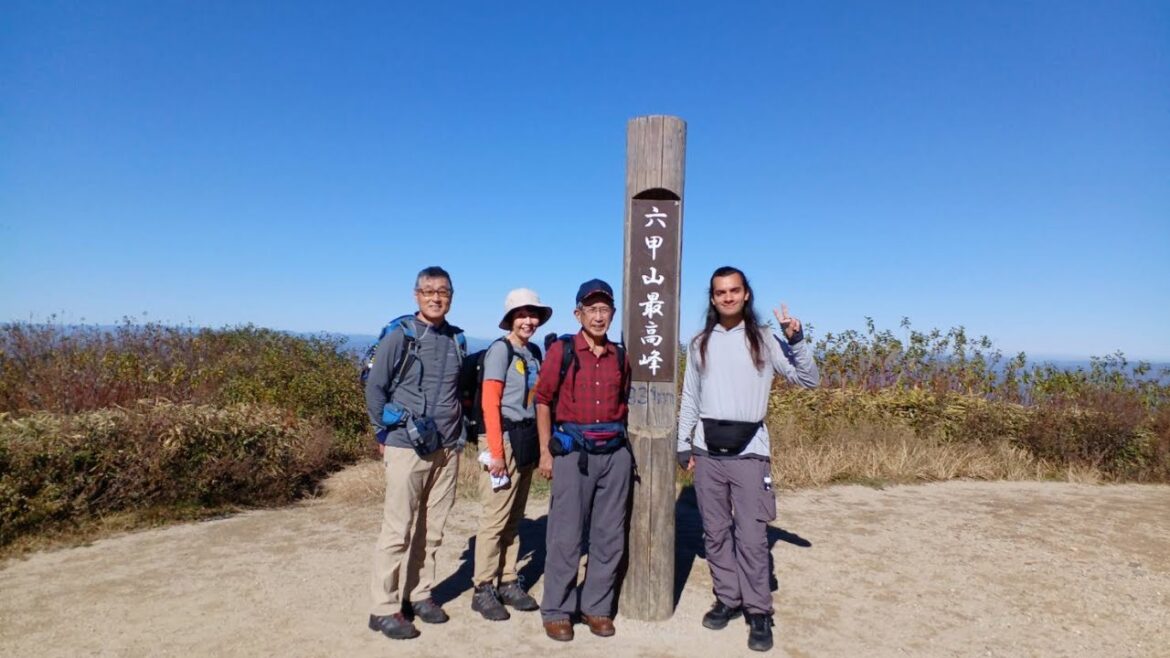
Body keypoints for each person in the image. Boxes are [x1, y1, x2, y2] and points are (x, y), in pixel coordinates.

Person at [676, 266, 820, 652]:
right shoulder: (699, 343)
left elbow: (808, 379)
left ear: (746, 295)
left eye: (734, 291)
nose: (727, 297)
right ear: (712, 298)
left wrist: (797, 341)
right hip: (707, 451)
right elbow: (690, 396)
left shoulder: (765, 339)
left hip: (750, 453)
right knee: (715, 532)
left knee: (753, 536)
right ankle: (728, 599)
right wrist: (682, 442)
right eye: (720, 292)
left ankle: (759, 611)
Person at [366, 266, 467, 641]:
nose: (436, 297)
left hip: (447, 447)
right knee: (397, 529)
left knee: (433, 528)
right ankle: (383, 607)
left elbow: (458, 391)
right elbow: (375, 387)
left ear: (451, 296)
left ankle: (419, 593)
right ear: (416, 295)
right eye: (428, 291)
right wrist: (383, 431)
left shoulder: (456, 339)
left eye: (442, 291)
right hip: (406, 446)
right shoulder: (401, 336)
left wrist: (458, 438)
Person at [534, 278, 632, 642]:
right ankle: (557, 609)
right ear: (578, 313)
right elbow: (542, 399)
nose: (599, 316)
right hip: (572, 453)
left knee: (609, 536)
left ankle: (596, 606)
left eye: (605, 309)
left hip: (614, 453)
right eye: (592, 309)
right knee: (566, 535)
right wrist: (546, 451)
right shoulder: (562, 351)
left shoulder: (620, 355)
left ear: (612, 313)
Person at [470, 288, 552, 621]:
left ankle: (507, 579)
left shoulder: (532, 351)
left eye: (532, 314)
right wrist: (495, 451)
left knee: (515, 514)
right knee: (495, 517)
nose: (528, 320)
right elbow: (490, 403)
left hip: (525, 436)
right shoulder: (499, 351)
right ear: (511, 318)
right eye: (522, 314)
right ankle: (483, 587)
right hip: (501, 439)